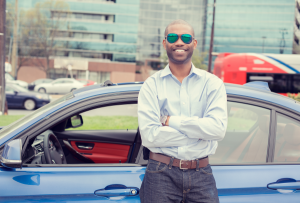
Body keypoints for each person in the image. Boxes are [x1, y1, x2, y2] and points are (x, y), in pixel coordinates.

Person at [138, 19, 227, 203]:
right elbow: (149, 136)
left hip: (201, 174)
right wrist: (201, 133)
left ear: (194, 43)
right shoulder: (151, 85)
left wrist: (171, 121)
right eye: (173, 37)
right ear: (165, 43)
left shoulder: (213, 84)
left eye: (186, 38)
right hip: (160, 173)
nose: (179, 42)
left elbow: (217, 130)